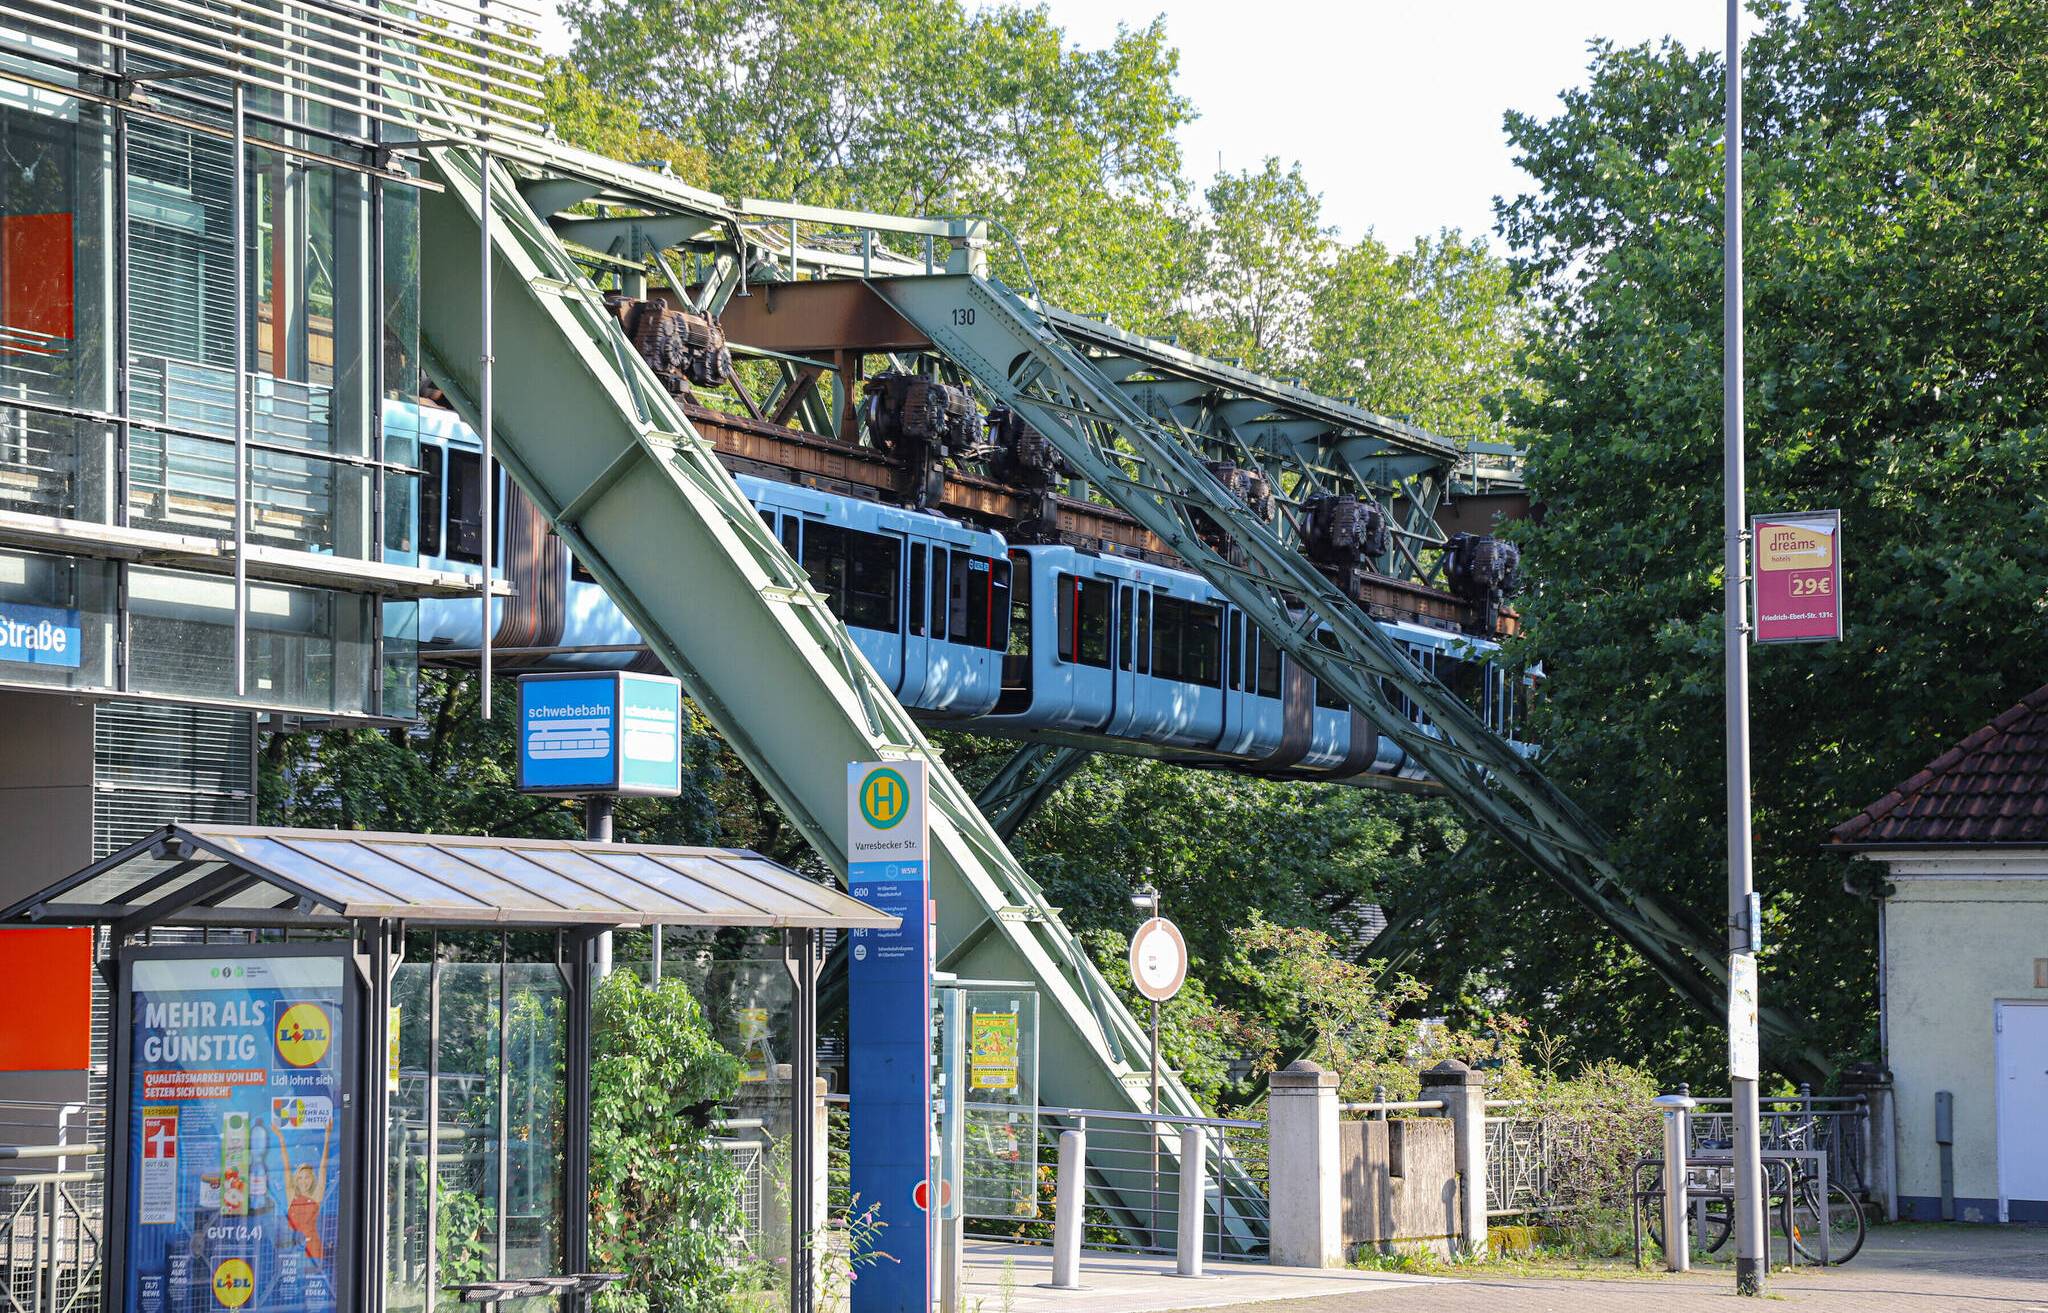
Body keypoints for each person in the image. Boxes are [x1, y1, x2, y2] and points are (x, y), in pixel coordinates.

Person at [273, 1116, 332, 1261]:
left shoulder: (316, 1196)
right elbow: (286, 1166)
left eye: (307, 1177)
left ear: (312, 1179)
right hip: (292, 1248)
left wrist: (327, 1137)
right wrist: (280, 1138)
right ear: (296, 1180)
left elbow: (323, 1167)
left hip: (312, 1247)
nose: (304, 1181)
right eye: (300, 1177)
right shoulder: (291, 1196)